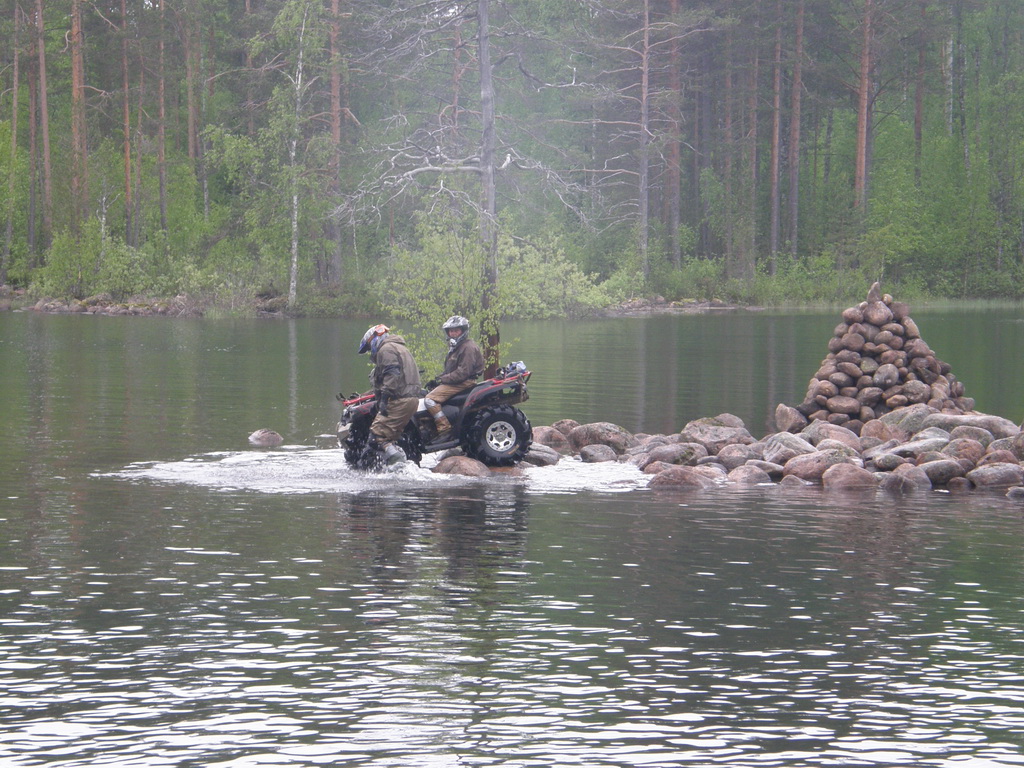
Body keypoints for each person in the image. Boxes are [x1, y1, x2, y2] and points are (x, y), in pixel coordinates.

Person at [357, 323, 421, 466]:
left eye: (368, 348)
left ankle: (400, 467)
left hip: (399, 400)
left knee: (377, 437)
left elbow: (392, 374)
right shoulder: (398, 347)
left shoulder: (386, 350)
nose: (370, 352)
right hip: (409, 398)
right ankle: (395, 467)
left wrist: (384, 399)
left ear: (374, 340)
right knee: (391, 437)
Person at [424, 315, 485, 443]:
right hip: (458, 381)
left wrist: (442, 380)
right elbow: (450, 371)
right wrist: (438, 379)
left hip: (465, 382)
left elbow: (463, 372)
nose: (453, 333)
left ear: (463, 331)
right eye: (451, 331)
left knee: (429, 400)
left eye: (456, 330)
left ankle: (445, 429)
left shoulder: (468, 347)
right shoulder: (456, 348)